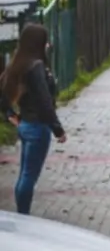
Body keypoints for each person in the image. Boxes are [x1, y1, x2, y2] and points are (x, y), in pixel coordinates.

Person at [0, 24, 67, 215]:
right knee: (29, 176)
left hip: (25, 126)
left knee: (24, 174)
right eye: (45, 41)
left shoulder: (18, 65)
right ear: (38, 43)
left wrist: (9, 114)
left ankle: (22, 212)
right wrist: (57, 129)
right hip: (38, 127)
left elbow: (3, 92)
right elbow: (44, 101)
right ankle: (23, 215)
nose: (48, 45)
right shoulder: (36, 67)